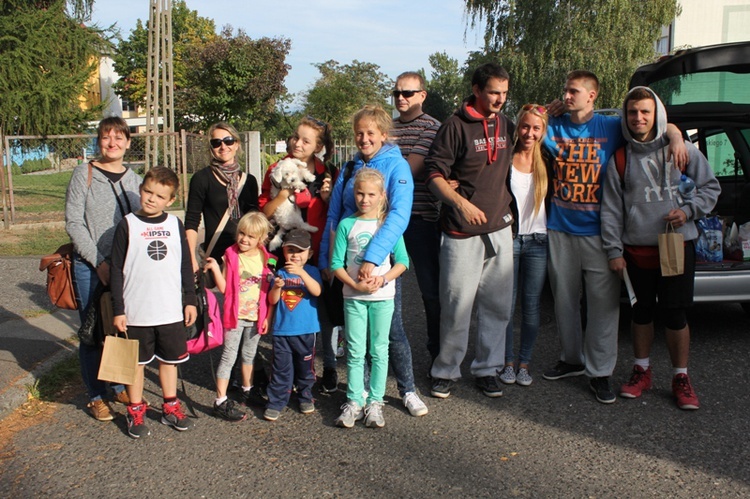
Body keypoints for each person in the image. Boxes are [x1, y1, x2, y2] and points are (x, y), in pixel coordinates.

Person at [541, 70, 688, 404]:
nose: (567, 96)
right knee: (564, 302)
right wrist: (544, 112)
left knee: (603, 308)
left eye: (573, 91)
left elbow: (654, 128)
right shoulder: (554, 128)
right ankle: (572, 359)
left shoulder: (611, 126)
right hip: (560, 229)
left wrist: (677, 136)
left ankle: (600, 372)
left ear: (592, 95)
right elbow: (521, 127)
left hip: (599, 234)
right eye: (565, 90)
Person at [600, 86, 720, 410]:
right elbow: (611, 210)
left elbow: (711, 187)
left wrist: (688, 211)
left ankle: (681, 376)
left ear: (657, 114)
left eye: (645, 112)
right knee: (641, 312)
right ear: (625, 116)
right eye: (632, 112)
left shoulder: (680, 149)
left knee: (676, 313)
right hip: (637, 250)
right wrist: (613, 251)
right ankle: (641, 370)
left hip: (678, 245)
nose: (638, 118)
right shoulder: (620, 160)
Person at [319, 104, 428, 418]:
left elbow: (398, 215)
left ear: (384, 134)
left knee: (392, 333)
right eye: (359, 133)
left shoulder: (397, 166)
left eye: (370, 133)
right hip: (350, 268)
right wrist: (330, 259)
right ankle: (364, 393)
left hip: (380, 268)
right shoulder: (351, 167)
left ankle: (407, 389)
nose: (364, 138)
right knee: (358, 335)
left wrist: (373, 257)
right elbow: (336, 215)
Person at [425, 63, 515, 399]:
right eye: (494, 92)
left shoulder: (506, 123)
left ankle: (488, 369)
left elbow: (531, 142)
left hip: (500, 228)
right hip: (461, 231)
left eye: (504, 93)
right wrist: (460, 204)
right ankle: (446, 369)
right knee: (457, 304)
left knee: (497, 305)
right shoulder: (454, 126)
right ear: (476, 90)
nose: (499, 100)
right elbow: (434, 173)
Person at [109, 167, 197, 439]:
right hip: (136, 312)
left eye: (160, 196)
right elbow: (115, 269)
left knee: (169, 362)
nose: (151, 199)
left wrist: (190, 300)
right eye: (148, 191)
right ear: (140, 189)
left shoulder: (174, 225)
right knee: (135, 364)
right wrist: (119, 310)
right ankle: (136, 410)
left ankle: (170, 406)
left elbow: (185, 265)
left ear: (170, 200)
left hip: (169, 311)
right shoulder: (127, 224)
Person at [258, 117, 342, 395]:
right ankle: (284, 367)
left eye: (306, 140)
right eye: (295, 137)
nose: (297, 143)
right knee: (284, 305)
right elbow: (264, 213)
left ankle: (327, 366)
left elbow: (338, 213)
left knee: (324, 310)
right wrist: (283, 195)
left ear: (318, 146)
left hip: (318, 252)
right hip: (286, 250)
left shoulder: (328, 172)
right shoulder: (277, 168)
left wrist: (329, 197)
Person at [65, 116, 141, 422]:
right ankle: (96, 395)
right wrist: (98, 262)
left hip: (126, 267)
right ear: (99, 141)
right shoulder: (83, 174)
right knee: (93, 331)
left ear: (128, 143)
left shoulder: (134, 179)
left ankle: (119, 383)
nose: (113, 143)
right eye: (107, 137)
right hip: (90, 265)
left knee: (122, 328)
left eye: (119, 138)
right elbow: (73, 222)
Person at [331, 168, 409, 428]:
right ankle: (354, 400)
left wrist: (383, 279)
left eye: (371, 194)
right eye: (360, 193)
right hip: (353, 297)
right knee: (354, 351)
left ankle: (375, 401)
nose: (365, 199)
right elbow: (336, 264)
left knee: (379, 350)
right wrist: (355, 284)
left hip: (383, 298)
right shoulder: (346, 224)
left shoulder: (388, 225)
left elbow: (403, 262)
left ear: (382, 195)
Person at [390, 71, 443, 364]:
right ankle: (381, 349)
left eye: (407, 93)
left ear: (422, 95)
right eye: (396, 93)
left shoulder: (433, 128)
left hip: (421, 217)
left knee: (430, 291)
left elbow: (406, 172)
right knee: (381, 287)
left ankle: (437, 351)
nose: (401, 98)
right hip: (387, 219)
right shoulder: (387, 128)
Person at [204, 211, 275, 422]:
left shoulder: (267, 259)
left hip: (256, 316)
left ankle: (247, 390)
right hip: (235, 317)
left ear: (261, 239)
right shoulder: (231, 255)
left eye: (251, 236)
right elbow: (225, 289)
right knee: (229, 356)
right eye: (242, 233)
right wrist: (216, 269)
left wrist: (267, 318)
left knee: (249, 356)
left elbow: (269, 294)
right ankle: (220, 400)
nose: (244, 239)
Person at [498, 104, 551, 387]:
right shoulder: (506, 157)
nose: (529, 133)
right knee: (507, 306)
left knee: (531, 307)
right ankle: (507, 362)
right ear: (518, 127)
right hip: (512, 239)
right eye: (525, 127)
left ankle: (524, 363)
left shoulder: (549, 160)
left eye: (536, 128)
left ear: (543, 131)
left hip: (540, 241)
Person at [263, 229, 323, 421]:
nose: (295, 255)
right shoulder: (279, 273)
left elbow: (317, 291)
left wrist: (301, 273)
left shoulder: (312, 272)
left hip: (306, 330)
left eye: (300, 251)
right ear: (284, 252)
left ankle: (305, 395)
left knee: (305, 367)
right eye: (290, 250)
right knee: (281, 369)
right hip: (282, 331)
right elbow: (272, 300)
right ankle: (276, 401)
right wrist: (277, 287)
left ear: (310, 254)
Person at [185, 122, 259, 272]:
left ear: (237, 144)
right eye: (216, 143)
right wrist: (191, 257)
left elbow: (254, 218)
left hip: (244, 254)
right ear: (211, 148)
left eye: (228, 141)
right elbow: (192, 220)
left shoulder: (249, 180)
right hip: (215, 255)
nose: (223, 147)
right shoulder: (201, 178)